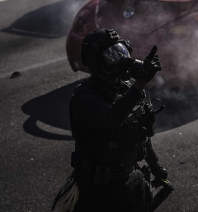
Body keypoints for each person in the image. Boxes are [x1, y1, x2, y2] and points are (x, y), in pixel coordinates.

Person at [52, 28, 171, 212]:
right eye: (112, 56)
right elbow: (111, 121)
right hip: (99, 193)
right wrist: (139, 86)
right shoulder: (85, 98)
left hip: (130, 181)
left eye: (121, 52)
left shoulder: (126, 88)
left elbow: (143, 138)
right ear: (97, 64)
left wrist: (156, 168)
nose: (121, 60)